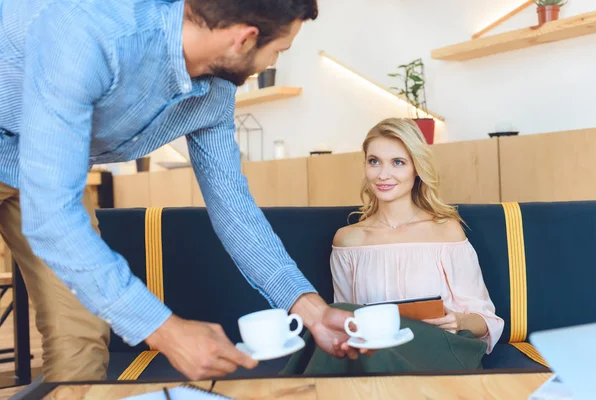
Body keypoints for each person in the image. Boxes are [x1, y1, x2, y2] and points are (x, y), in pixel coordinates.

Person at [0, 0, 361, 382]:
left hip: (45, 167)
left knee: (81, 335)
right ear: (243, 39)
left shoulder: (214, 92)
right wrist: (167, 330)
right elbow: (52, 217)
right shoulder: (92, 29)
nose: (270, 64)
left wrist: (310, 310)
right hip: (35, 160)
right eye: (279, 50)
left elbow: (234, 208)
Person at [282, 118, 504, 375]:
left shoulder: (446, 231)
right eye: (374, 161)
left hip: (440, 348)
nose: (382, 174)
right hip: (373, 351)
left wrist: (459, 320)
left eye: (398, 162)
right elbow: (345, 320)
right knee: (344, 324)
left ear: (416, 168)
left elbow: (486, 320)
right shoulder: (348, 240)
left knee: (350, 329)